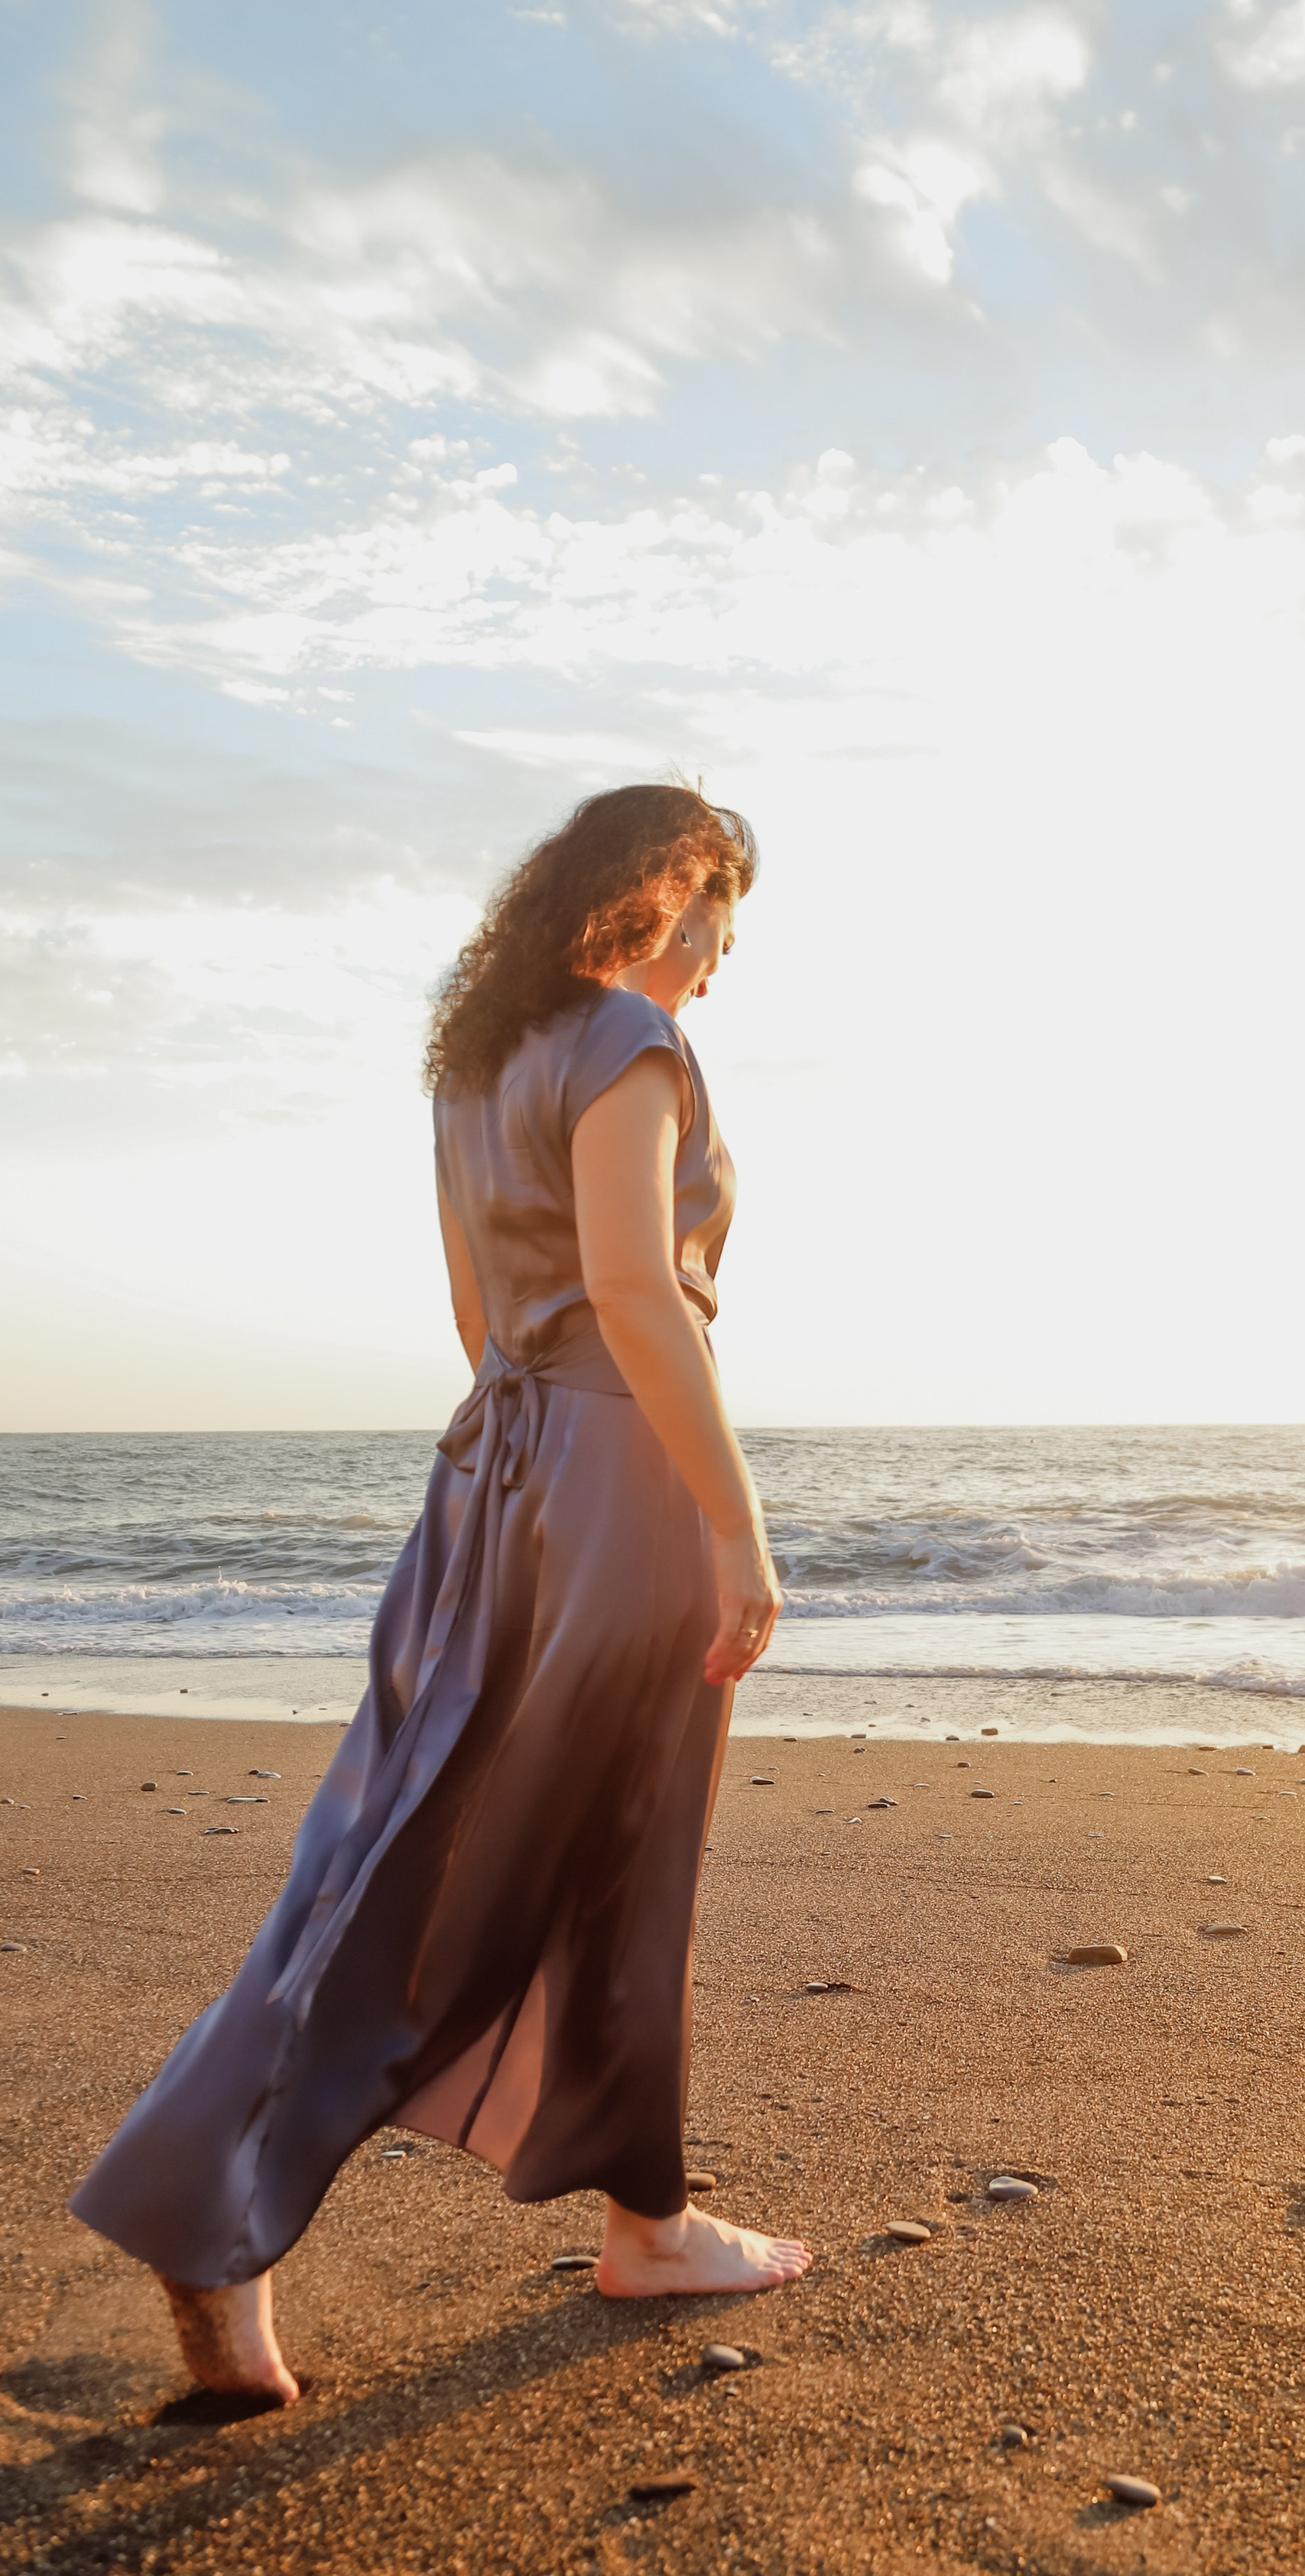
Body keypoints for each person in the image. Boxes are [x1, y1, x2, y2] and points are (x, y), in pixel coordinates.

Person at [70, 784, 807, 2406]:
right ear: (659, 888)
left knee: (430, 1839)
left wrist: (536, 1463)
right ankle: (218, 2210)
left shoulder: (473, 1067)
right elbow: (634, 1291)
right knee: (549, 1859)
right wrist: (732, 1526)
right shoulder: (630, 1041)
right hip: (614, 1477)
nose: (718, 960)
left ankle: (645, 2215)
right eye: (715, 919)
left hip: (496, 1473)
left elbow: (483, 1313)